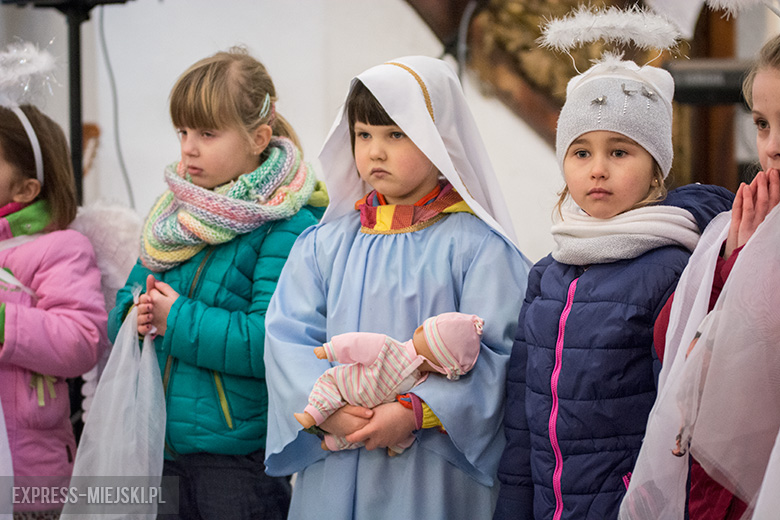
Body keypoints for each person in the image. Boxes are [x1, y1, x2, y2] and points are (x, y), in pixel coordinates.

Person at [263, 55, 532, 519]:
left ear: (438, 138)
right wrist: (328, 410)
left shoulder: (480, 249)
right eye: (363, 134)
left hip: (431, 467)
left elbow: (499, 355)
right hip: (338, 454)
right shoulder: (324, 245)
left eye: (396, 134)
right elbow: (288, 338)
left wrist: (414, 411)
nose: (375, 152)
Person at [493, 56, 734, 520]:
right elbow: (521, 421)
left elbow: (680, 421)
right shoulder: (548, 273)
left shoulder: (671, 270)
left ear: (656, 168)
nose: (597, 169)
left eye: (619, 152)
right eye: (581, 152)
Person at [107, 47, 327, 520]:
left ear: (258, 138)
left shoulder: (287, 225)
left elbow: (269, 341)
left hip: (235, 460)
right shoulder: (173, 214)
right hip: (159, 445)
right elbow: (126, 301)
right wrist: (134, 315)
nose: (189, 147)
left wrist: (175, 319)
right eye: (183, 132)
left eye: (207, 133)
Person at [620, 33, 780, 520]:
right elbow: (671, 342)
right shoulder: (741, 227)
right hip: (714, 487)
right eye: (762, 124)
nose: (772, 148)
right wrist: (732, 259)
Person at [0, 103, 109, 519]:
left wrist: (4, 322)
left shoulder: (60, 248)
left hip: (28, 480)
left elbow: (80, 339)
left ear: (26, 189)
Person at [294, 312, 484, 455]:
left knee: (362, 434)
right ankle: (313, 414)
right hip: (345, 385)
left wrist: (407, 421)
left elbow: (407, 415)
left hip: (375, 414)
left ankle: (331, 442)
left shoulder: (420, 383)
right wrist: (330, 350)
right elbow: (357, 344)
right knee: (327, 388)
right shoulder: (388, 348)